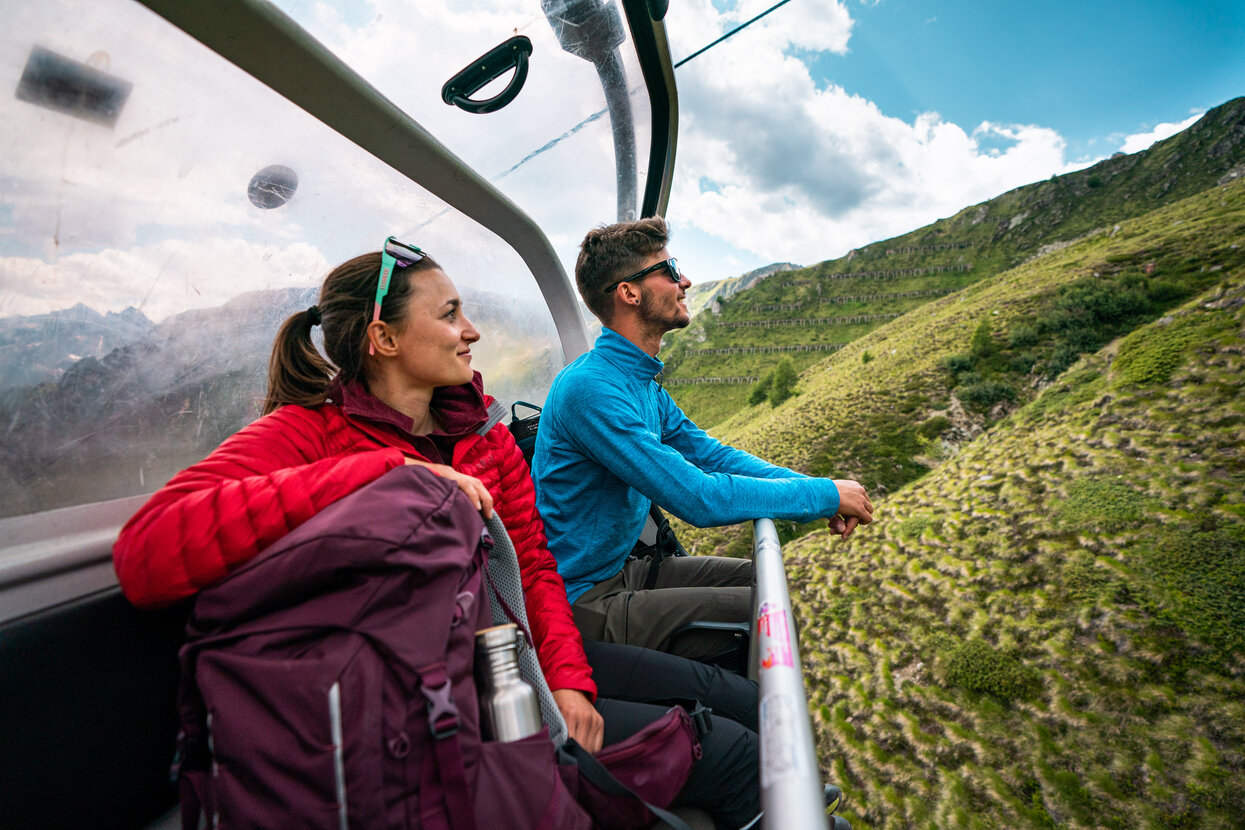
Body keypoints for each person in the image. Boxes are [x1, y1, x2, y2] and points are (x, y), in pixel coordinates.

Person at [111, 240, 762, 828]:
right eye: (449, 314)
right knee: (731, 752)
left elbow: (532, 567)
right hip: (417, 695)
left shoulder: (482, 439)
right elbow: (147, 553)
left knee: (733, 697)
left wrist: (566, 679)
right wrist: (386, 474)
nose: (470, 330)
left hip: (509, 658)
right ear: (384, 338)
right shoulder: (306, 434)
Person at [532, 217, 875, 660]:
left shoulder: (639, 383)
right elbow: (698, 498)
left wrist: (821, 488)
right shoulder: (591, 390)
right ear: (629, 293)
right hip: (581, 598)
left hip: (622, 570)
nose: (685, 281)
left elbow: (712, 456)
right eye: (670, 270)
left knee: (767, 584)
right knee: (762, 614)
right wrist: (823, 496)